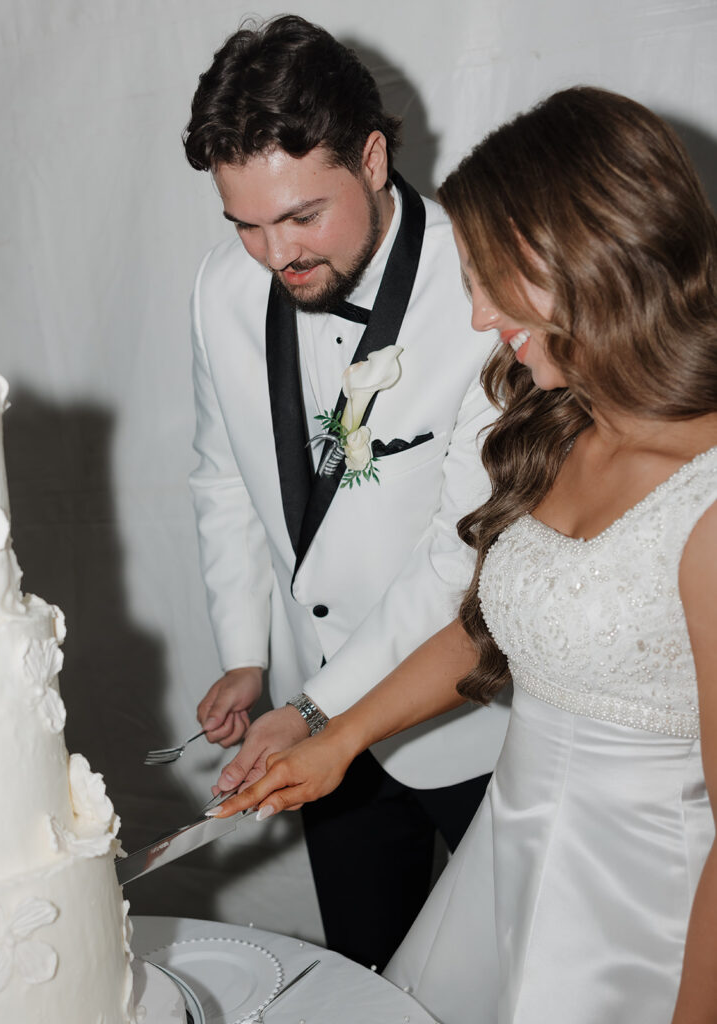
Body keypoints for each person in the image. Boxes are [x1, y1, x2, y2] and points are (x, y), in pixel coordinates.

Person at [211, 86, 717, 1023]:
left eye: (490, 279)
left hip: (645, 926)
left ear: (590, 257)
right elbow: (490, 623)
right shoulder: (562, 426)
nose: (480, 317)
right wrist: (340, 740)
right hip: (507, 868)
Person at [183, 15, 510, 969]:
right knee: (367, 970)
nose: (274, 254)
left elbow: (464, 552)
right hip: (311, 714)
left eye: (300, 217)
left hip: (476, 720)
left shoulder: (484, 283)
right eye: (245, 223)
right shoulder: (218, 290)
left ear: (371, 157)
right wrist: (247, 652)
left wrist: (320, 710)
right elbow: (223, 472)